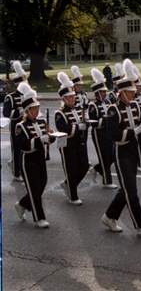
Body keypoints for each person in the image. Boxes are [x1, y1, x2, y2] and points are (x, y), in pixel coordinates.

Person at [102, 59, 141, 237]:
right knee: (131, 192)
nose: (134, 96)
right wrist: (137, 130)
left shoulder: (135, 106)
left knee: (126, 189)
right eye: (130, 93)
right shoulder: (113, 110)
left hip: (133, 152)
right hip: (122, 153)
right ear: (122, 93)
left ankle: (109, 216)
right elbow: (115, 136)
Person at [14, 83, 55, 228]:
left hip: (40, 158)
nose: (37, 111)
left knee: (41, 184)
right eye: (34, 109)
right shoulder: (21, 126)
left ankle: (22, 204)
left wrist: (52, 136)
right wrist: (40, 140)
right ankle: (39, 218)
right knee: (34, 188)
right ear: (27, 110)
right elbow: (23, 146)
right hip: (28, 160)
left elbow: (47, 137)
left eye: (37, 108)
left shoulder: (42, 122)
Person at [55, 72, 90, 205]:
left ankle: (68, 185)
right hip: (67, 145)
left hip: (79, 143)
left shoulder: (77, 109)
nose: (73, 99)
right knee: (71, 170)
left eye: (73, 97)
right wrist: (77, 127)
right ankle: (73, 196)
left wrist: (86, 123)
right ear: (64, 99)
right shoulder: (60, 113)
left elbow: (82, 123)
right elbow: (63, 129)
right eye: (69, 98)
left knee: (85, 166)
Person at [88, 68, 116, 189]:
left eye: (105, 91)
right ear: (97, 93)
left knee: (112, 156)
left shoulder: (108, 101)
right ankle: (107, 181)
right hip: (99, 134)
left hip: (109, 132)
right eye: (102, 92)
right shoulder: (92, 105)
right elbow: (94, 123)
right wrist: (106, 119)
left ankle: (96, 169)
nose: (105, 93)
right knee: (104, 156)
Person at [3, 61, 27, 181]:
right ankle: (17, 173)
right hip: (16, 126)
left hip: (26, 125)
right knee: (16, 149)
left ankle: (22, 168)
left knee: (25, 148)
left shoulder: (28, 96)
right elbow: (6, 113)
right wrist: (19, 112)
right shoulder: (10, 97)